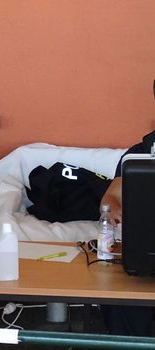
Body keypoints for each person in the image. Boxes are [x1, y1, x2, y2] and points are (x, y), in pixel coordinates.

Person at [99, 80, 155, 336]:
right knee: (120, 301)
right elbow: (109, 198)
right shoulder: (141, 153)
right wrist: (113, 211)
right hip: (144, 260)